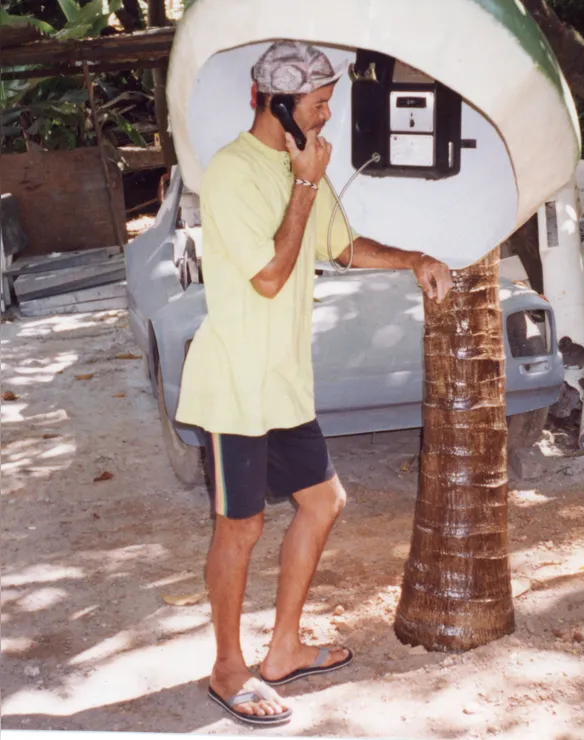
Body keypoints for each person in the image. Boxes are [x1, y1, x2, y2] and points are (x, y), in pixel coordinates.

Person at [176, 39, 453, 726]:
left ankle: (284, 651)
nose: (327, 117)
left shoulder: (306, 164)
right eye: (319, 105)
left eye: (329, 104)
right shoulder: (234, 174)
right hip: (238, 382)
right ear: (276, 103)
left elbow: (340, 245)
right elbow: (269, 275)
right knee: (240, 528)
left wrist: (413, 258)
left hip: (283, 383)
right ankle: (227, 670)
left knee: (323, 502)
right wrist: (303, 184)